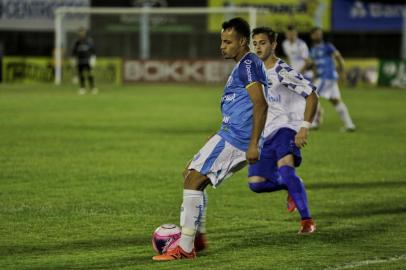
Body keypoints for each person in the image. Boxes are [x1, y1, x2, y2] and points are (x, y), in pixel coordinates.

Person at [152, 17, 269, 261]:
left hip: (238, 139)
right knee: (190, 174)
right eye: (222, 41)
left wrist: (252, 144)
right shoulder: (244, 65)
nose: (222, 46)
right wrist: (219, 131)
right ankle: (198, 237)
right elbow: (242, 106)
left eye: (228, 42)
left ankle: (185, 247)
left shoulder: (248, 64)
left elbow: (260, 104)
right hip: (229, 133)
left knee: (193, 180)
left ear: (242, 42)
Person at [249, 27, 318, 234]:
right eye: (256, 43)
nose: (259, 47)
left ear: (273, 45)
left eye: (263, 43)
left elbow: (312, 94)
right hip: (266, 132)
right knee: (256, 184)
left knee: (286, 167)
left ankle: (307, 221)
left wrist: (304, 128)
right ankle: (291, 184)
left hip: (287, 127)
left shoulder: (282, 71)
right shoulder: (256, 72)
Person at [304, 27, 355, 131]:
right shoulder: (313, 50)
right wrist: (313, 74)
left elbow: (339, 59)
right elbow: (313, 65)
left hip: (326, 77)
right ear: (312, 36)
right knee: (335, 101)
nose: (318, 35)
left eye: (320, 33)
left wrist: (343, 73)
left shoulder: (328, 47)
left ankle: (314, 123)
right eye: (316, 34)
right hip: (323, 78)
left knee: (311, 97)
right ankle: (350, 125)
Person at [72, 28, 97, 95]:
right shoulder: (77, 42)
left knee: (90, 74)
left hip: (88, 61)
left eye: (83, 32)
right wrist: (74, 59)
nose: (82, 33)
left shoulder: (89, 41)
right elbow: (74, 51)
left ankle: (92, 87)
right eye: (80, 32)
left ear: (85, 32)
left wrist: (93, 58)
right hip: (80, 61)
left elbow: (93, 50)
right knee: (81, 75)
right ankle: (82, 88)